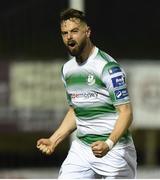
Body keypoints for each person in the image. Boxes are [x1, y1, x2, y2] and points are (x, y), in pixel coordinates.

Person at [37, 8, 137, 179]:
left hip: (115, 151)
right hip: (82, 150)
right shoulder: (67, 70)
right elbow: (76, 110)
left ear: (87, 32)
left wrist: (108, 143)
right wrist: (54, 140)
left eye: (74, 31)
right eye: (64, 33)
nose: (69, 37)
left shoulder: (107, 67)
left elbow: (126, 113)